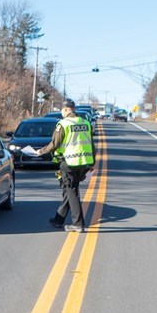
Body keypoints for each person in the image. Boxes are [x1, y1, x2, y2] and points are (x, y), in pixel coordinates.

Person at [35, 99, 95, 232]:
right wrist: (92, 163)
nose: (61, 113)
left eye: (62, 110)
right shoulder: (86, 123)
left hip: (69, 162)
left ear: (67, 109)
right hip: (84, 162)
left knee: (71, 191)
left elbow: (55, 143)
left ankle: (78, 224)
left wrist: (41, 151)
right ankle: (58, 219)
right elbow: (91, 144)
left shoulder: (63, 124)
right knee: (71, 190)